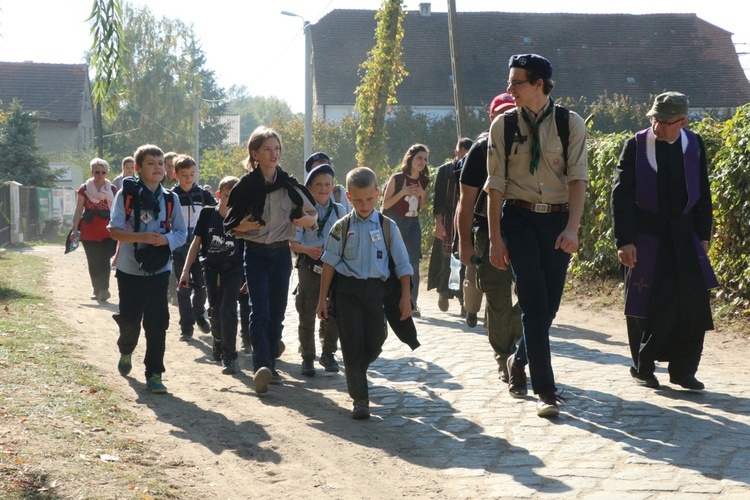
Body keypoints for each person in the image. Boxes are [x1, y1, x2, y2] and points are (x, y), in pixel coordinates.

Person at [486, 54, 588, 418]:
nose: (509, 89)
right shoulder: (503, 125)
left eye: (516, 82)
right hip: (518, 219)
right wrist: (496, 239)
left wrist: (573, 228)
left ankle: (519, 360)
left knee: (549, 307)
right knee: (532, 303)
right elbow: (495, 186)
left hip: (558, 221)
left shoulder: (569, 123)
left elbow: (578, 179)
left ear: (538, 84)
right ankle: (545, 389)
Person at [611, 92, 716, 391]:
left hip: (685, 237)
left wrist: (704, 235)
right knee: (645, 304)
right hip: (646, 236)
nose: (657, 127)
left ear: (682, 122)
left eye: (665, 122)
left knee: (691, 305)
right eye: (654, 120)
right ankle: (643, 368)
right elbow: (620, 194)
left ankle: (684, 371)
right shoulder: (636, 144)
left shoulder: (694, 145)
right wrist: (625, 240)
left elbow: (703, 193)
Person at [224, 126, 318, 394]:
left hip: (281, 253)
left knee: (277, 311)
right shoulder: (245, 187)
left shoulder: (289, 185)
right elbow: (231, 226)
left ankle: (270, 351)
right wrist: (244, 226)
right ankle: (263, 366)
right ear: (255, 153)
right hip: (254, 253)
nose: (273, 153)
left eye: (277, 148)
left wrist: (304, 220)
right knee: (259, 310)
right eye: (267, 149)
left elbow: (313, 218)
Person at [316, 167, 413, 420]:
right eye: (358, 200)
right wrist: (322, 300)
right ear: (348, 197)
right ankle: (360, 399)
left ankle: (357, 368)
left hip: (375, 292)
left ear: (377, 194)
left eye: (369, 199)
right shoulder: (341, 227)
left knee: (376, 339)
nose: (364, 204)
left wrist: (405, 297)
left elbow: (403, 265)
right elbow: (329, 263)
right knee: (351, 344)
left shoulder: (387, 227)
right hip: (347, 291)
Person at [108, 144, 187, 394]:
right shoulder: (126, 195)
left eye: (161, 163)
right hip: (129, 269)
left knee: (157, 321)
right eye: (151, 163)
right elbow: (114, 231)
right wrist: (141, 238)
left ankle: (154, 373)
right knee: (130, 319)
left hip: (159, 269)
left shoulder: (171, 199)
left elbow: (182, 233)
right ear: (138, 168)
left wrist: (165, 240)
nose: (158, 167)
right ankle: (126, 349)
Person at [457, 93, 524, 385]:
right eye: (503, 113)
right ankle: (504, 358)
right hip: (486, 232)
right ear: (492, 117)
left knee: (532, 298)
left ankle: (516, 351)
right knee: (497, 299)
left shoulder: (533, 143)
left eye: (513, 112)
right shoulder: (480, 150)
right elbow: (465, 202)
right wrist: (465, 243)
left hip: (527, 231)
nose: (509, 119)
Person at [179, 176, 245, 375]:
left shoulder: (244, 217)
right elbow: (196, 243)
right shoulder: (208, 214)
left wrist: (248, 277)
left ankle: (230, 356)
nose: (231, 200)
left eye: (236, 197)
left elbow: (250, 246)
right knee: (215, 311)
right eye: (227, 196)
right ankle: (217, 340)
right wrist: (185, 270)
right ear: (218, 195)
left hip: (234, 269)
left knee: (229, 310)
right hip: (211, 268)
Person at [291, 163, 345, 377]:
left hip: (335, 268)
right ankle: (307, 357)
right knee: (307, 311)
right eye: (318, 185)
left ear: (333, 186)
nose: (323, 188)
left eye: (328, 184)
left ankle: (329, 353)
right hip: (309, 266)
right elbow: (293, 243)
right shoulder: (303, 211)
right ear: (309, 188)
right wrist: (307, 249)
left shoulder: (340, 210)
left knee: (335, 311)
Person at [171, 154, 217, 341]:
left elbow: (215, 214)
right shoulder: (171, 196)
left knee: (201, 286)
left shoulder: (203, 195)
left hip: (199, 248)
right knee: (183, 287)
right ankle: (186, 327)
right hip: (179, 248)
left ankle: (198, 313)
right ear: (176, 175)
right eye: (184, 175)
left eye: (192, 174)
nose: (189, 179)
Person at [382, 144, 430, 317]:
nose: (422, 162)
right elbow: (385, 205)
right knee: (393, 262)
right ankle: (389, 299)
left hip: (413, 224)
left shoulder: (424, 181)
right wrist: (402, 192)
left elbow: (421, 207)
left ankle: (412, 303)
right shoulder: (397, 178)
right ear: (410, 158)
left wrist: (422, 195)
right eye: (419, 158)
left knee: (413, 265)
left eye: (425, 159)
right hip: (396, 223)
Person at [426, 137, 473, 314]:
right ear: (456, 152)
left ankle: (464, 301)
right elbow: (437, 200)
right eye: (462, 154)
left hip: (466, 221)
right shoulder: (445, 171)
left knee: (465, 260)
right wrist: (439, 223)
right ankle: (443, 293)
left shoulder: (474, 169)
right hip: (447, 221)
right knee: (446, 261)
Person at [70, 158, 118, 302]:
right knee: (93, 260)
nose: (100, 175)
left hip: (108, 231)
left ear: (107, 173)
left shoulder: (113, 190)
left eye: (103, 172)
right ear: (92, 172)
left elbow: (117, 211)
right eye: (97, 172)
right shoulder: (84, 189)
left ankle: (102, 288)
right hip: (89, 231)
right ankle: (100, 289)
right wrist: (74, 230)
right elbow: (78, 210)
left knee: (105, 257)